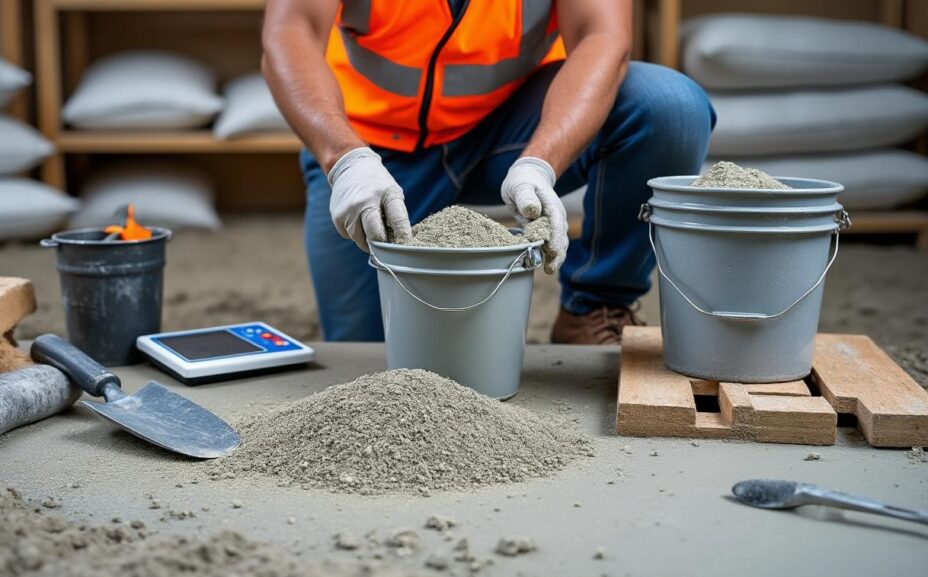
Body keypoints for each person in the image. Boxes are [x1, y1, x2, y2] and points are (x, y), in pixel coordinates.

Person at [263, 0, 714, 344]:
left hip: (508, 127)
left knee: (667, 107)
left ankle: (594, 306)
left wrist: (541, 161)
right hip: (372, 150)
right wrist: (345, 159)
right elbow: (289, 32)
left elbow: (603, 37)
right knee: (365, 362)